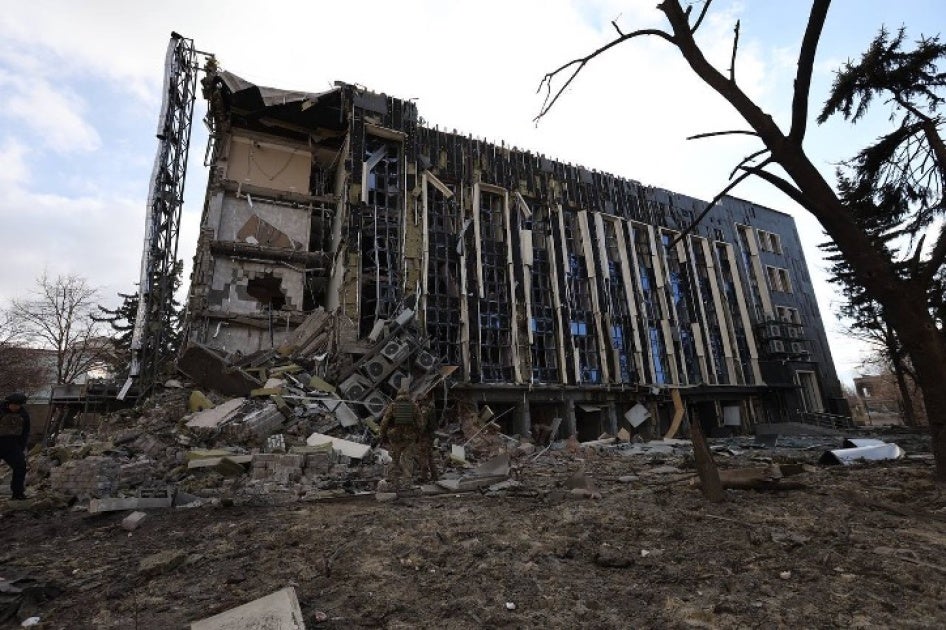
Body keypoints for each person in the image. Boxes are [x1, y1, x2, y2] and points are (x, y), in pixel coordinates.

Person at [379, 387, 422, 487]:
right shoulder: (414, 406)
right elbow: (420, 424)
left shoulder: (393, 406)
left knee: (394, 459)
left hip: (395, 437)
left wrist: (382, 435)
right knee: (407, 459)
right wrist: (417, 434)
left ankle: (393, 481)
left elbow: (384, 422)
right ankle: (407, 482)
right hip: (409, 438)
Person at [0, 393, 30, 501]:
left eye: (18, 406)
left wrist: (21, 447)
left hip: (12, 445)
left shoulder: (23, 414)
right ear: (8, 404)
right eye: (14, 405)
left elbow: (25, 432)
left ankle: (18, 493)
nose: (16, 408)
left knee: (20, 466)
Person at [415, 393, 439, 482]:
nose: (418, 403)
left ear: (423, 401)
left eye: (419, 401)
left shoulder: (425, 410)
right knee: (430, 455)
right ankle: (434, 475)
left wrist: (418, 435)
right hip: (430, 435)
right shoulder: (431, 407)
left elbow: (423, 425)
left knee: (423, 456)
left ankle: (424, 476)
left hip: (425, 436)